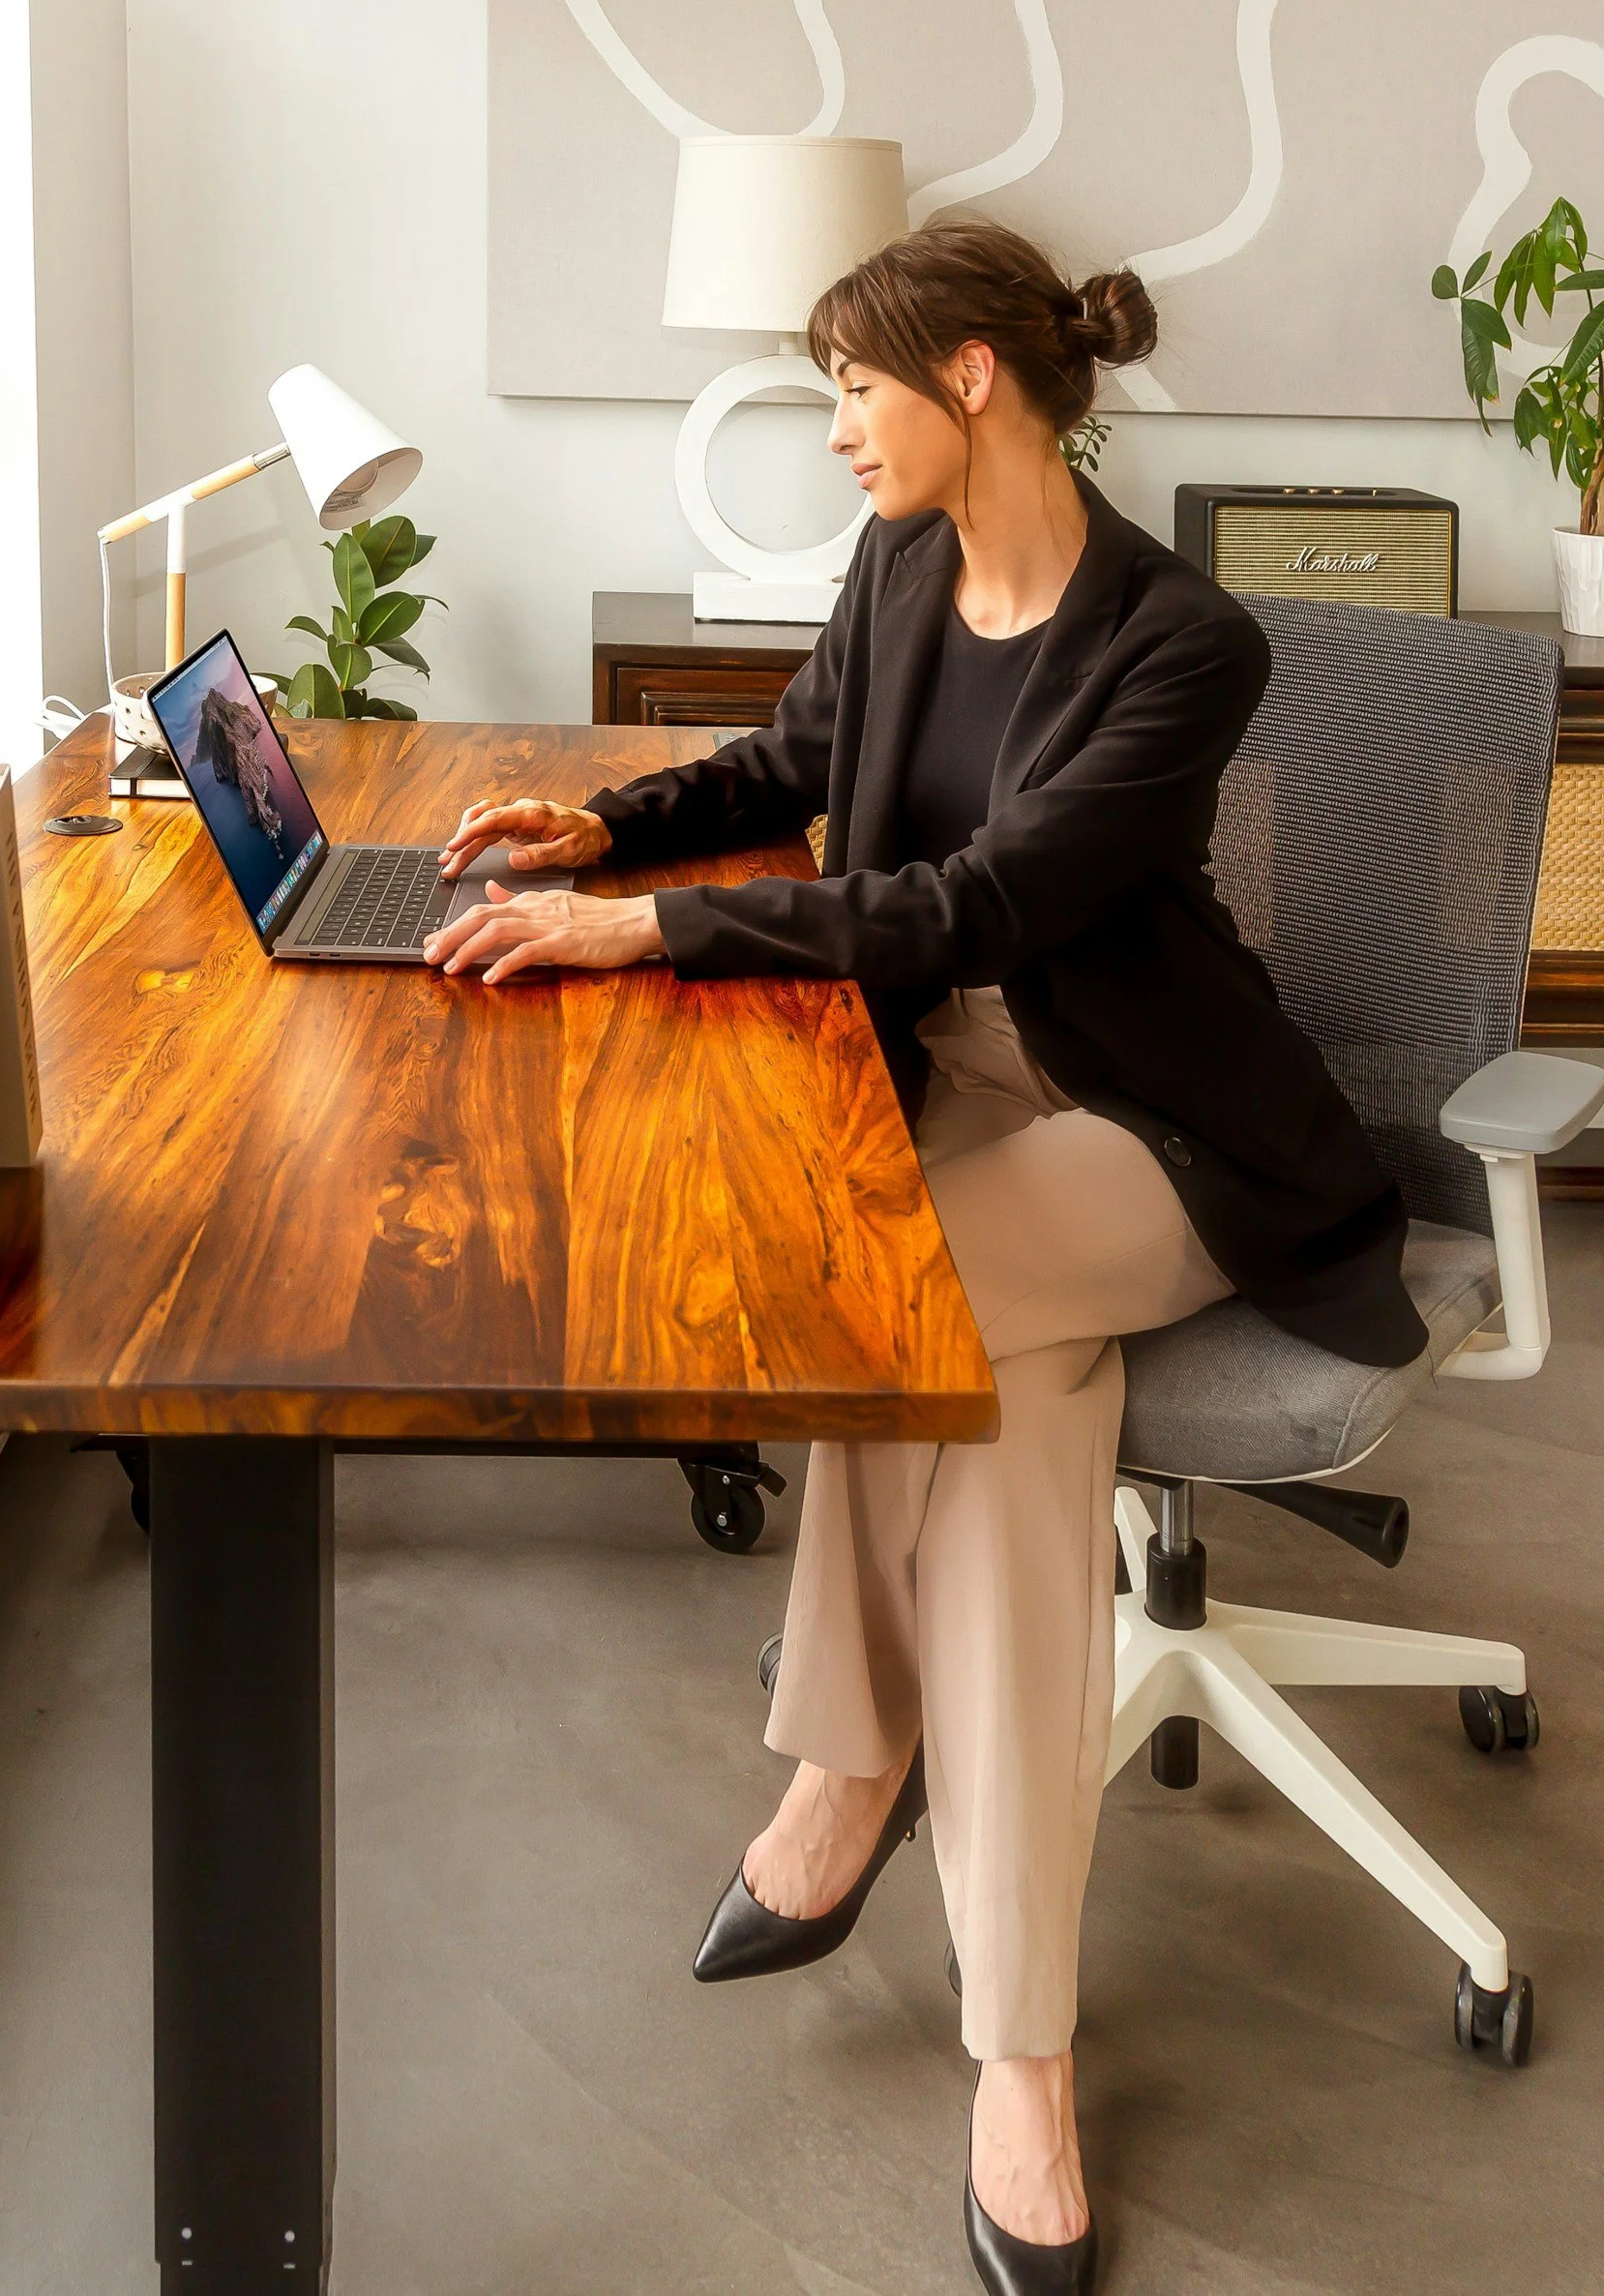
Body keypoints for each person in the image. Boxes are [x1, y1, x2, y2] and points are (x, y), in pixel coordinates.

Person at [423, 217, 1425, 2295]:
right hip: (949, 1090)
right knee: (1007, 1401)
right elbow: (798, 763)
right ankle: (1010, 2036)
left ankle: (867, 1800)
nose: (833, 438)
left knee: (891, 1300)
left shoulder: (1179, 639)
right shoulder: (895, 564)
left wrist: (655, 933)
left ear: (971, 379)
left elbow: (976, 899)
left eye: (852, 392)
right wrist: (598, 835)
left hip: (1146, 1127)